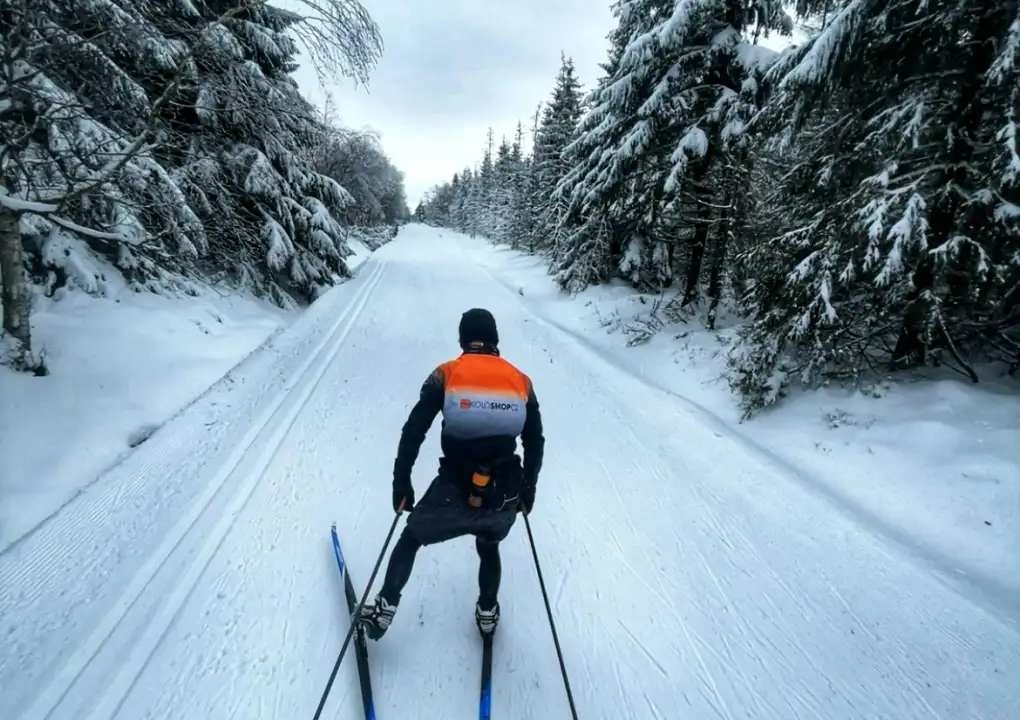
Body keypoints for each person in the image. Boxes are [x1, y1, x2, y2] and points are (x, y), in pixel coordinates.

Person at [358, 308, 544, 639]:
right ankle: (487, 611)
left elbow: (414, 430)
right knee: (489, 546)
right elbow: (534, 440)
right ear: (495, 341)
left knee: (412, 537)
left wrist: (401, 482)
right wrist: (528, 491)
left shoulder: (446, 373)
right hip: (504, 496)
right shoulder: (522, 380)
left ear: (462, 339)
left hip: (453, 491)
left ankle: (385, 607)